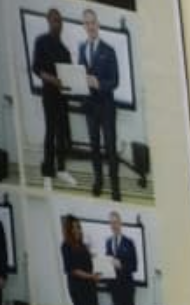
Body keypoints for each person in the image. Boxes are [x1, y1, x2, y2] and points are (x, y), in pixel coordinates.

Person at [78, 8, 120, 202]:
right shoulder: (81, 49)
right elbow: (80, 73)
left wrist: (99, 84)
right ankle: (98, 181)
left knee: (110, 148)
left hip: (106, 107)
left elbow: (115, 81)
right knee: (94, 147)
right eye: (86, 23)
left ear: (98, 24)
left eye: (93, 22)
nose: (90, 26)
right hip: (90, 107)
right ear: (84, 26)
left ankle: (115, 187)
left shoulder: (108, 50)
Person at [32, 8, 76, 187]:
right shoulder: (41, 41)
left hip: (62, 96)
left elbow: (70, 75)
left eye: (60, 21)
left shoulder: (65, 50)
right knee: (51, 131)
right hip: (49, 94)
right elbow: (36, 68)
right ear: (48, 21)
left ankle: (62, 169)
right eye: (55, 21)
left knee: (63, 133)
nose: (58, 24)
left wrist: (75, 79)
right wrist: (54, 81)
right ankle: (48, 171)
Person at [60, 214, 105, 305]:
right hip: (77, 287)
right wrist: (91, 276)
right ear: (69, 230)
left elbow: (89, 265)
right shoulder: (65, 246)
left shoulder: (83, 245)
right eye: (74, 227)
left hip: (90, 285)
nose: (78, 230)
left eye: (79, 227)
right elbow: (73, 270)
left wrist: (96, 270)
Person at [103, 208, 141, 305]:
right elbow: (107, 264)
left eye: (116, 222)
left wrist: (121, 265)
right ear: (109, 225)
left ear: (120, 223)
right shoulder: (107, 242)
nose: (114, 225)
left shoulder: (129, 242)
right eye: (111, 223)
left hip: (127, 287)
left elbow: (134, 266)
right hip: (114, 288)